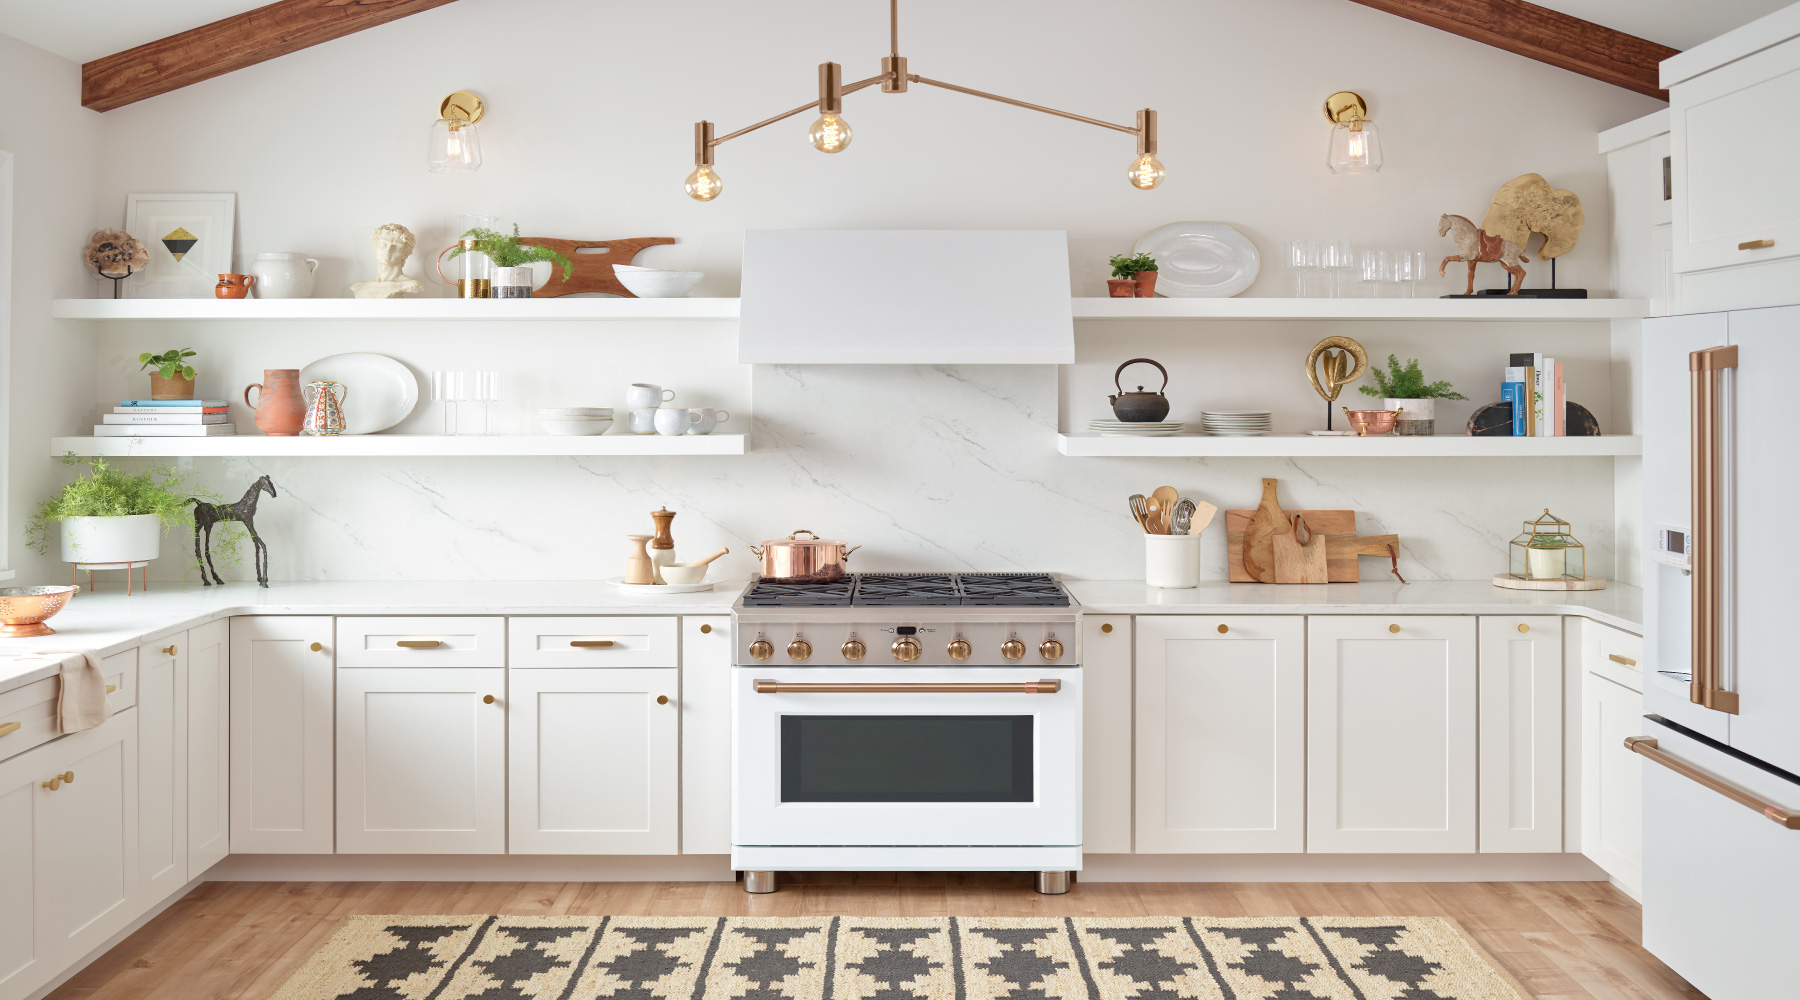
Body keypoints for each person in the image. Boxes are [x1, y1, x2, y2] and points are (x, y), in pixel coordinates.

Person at [350, 223, 424, 298]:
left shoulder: (410, 284)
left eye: (396, 247)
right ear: (375, 247)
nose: (388, 250)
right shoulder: (360, 286)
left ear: (405, 253)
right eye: (383, 244)